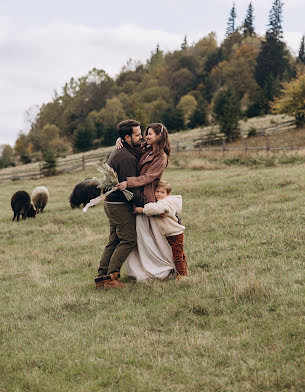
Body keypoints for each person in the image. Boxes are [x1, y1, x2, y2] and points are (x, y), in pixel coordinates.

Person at [116, 123, 177, 281]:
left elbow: (148, 177)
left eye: (149, 134)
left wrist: (128, 183)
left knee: (147, 237)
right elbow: (133, 149)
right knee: (142, 237)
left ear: (159, 136)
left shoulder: (161, 157)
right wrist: (120, 140)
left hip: (146, 196)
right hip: (138, 196)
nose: (146, 136)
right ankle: (142, 267)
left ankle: (159, 269)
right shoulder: (147, 150)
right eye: (145, 133)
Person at [94, 119, 144, 289]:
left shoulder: (122, 149)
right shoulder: (126, 158)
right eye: (137, 135)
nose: (141, 137)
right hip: (119, 205)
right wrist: (145, 205)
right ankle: (111, 276)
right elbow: (132, 188)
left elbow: (141, 148)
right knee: (128, 239)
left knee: (114, 240)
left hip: (111, 203)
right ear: (127, 137)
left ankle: (102, 277)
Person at [134, 180, 188, 277]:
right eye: (157, 191)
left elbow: (157, 209)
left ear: (168, 194)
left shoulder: (165, 203)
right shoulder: (166, 201)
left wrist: (143, 210)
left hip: (174, 233)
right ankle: (185, 270)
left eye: (162, 192)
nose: (159, 194)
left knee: (177, 254)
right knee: (179, 252)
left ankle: (181, 274)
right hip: (172, 232)